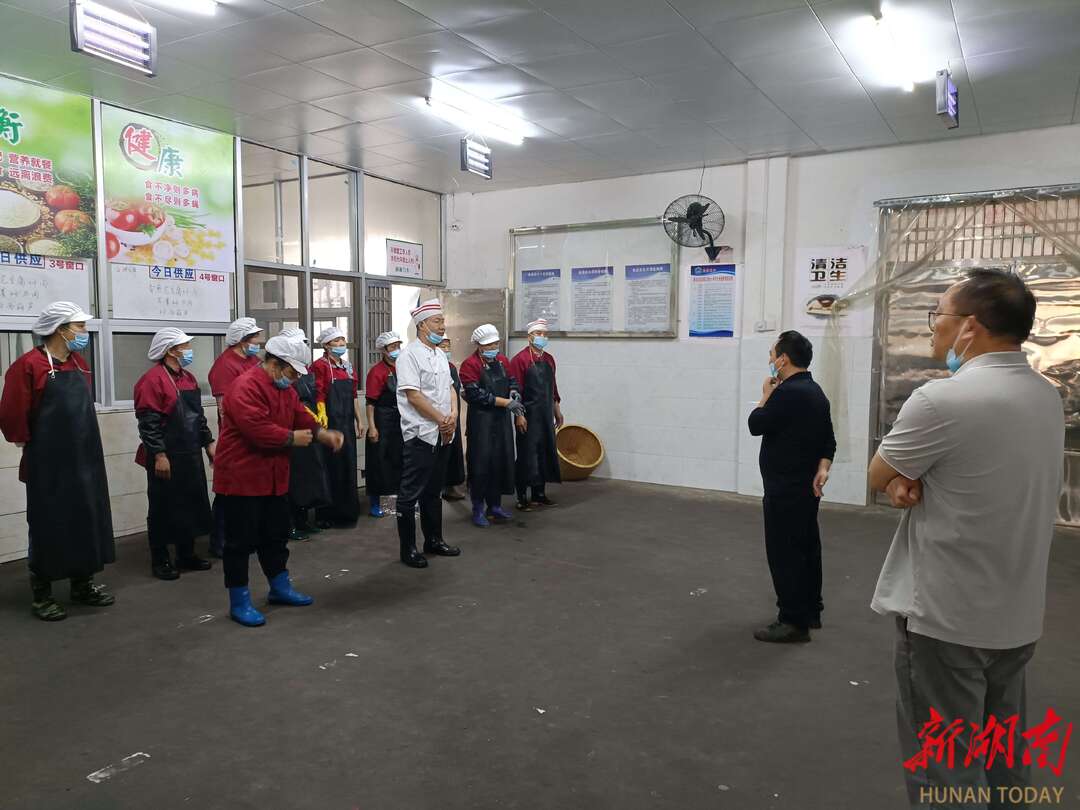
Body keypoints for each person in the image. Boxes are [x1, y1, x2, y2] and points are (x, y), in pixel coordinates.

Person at [867, 270, 1063, 806]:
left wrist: (905, 478)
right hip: (1016, 614)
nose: (935, 328)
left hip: (947, 618)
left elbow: (879, 474)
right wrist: (914, 478)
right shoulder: (1046, 396)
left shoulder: (941, 400)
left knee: (945, 772)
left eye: (941, 316)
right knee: (1004, 759)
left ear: (970, 327)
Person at [213, 333, 344, 627]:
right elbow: (256, 429)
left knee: (275, 535)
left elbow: (300, 414)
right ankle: (239, 600)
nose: (294, 379)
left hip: (273, 476)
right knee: (240, 542)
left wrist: (321, 433)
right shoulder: (245, 387)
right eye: (291, 373)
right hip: (242, 477)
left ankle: (279, 587)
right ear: (274, 364)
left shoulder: (284, 388)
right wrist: (290, 438)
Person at [0, 301, 115, 621]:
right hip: (48, 464)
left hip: (86, 460)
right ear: (60, 330)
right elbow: (11, 414)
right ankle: (43, 595)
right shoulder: (28, 366)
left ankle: (83, 585)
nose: (84, 332)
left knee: (85, 520)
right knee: (49, 525)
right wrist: (30, 444)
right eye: (79, 326)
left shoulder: (78, 364)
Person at [747, 330, 835, 644]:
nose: (770, 360)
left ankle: (792, 621)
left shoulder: (786, 393)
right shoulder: (815, 391)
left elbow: (756, 424)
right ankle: (810, 611)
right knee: (807, 548)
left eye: (772, 355)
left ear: (783, 359)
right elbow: (829, 440)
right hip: (806, 488)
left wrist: (765, 395)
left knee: (784, 553)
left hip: (785, 489)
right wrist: (823, 468)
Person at [133, 328, 216, 580]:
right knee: (162, 508)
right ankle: (160, 560)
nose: (189, 350)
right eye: (185, 346)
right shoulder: (152, 380)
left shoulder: (188, 377)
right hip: (166, 455)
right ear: (171, 350)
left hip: (190, 453)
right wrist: (159, 455)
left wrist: (208, 443)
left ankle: (186, 554)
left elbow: (198, 418)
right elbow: (148, 423)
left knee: (190, 503)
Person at [395, 299, 461, 568]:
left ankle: (433, 539)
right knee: (410, 494)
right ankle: (408, 549)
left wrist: (453, 414)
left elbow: (450, 388)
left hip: (443, 433)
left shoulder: (440, 355)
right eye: (437, 321)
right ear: (422, 325)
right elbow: (413, 395)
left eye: (443, 321)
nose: (442, 326)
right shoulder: (408, 356)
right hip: (421, 434)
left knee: (434, 491)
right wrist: (440, 419)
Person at [207, 317, 264, 557]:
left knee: (250, 491)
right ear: (242, 341)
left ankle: (246, 538)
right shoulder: (224, 366)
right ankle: (220, 541)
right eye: (255, 340)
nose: (258, 344)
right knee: (228, 491)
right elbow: (224, 408)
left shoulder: (253, 361)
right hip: (236, 437)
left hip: (256, 433)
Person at [460, 324, 524, 527]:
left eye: (496, 344)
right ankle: (478, 508)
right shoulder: (469, 365)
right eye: (489, 345)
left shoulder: (503, 361)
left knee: (500, 462)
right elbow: (474, 394)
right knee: (481, 464)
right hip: (481, 422)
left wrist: (514, 392)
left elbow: (512, 380)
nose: (493, 348)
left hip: (501, 422)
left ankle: (495, 506)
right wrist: (505, 402)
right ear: (479, 345)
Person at [508, 319, 563, 511]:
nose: (542, 337)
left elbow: (553, 388)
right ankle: (522, 497)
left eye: (545, 334)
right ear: (529, 336)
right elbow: (515, 391)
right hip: (528, 415)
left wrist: (557, 410)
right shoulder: (520, 360)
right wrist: (519, 415)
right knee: (527, 454)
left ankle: (539, 494)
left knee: (544, 452)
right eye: (538, 333)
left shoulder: (549, 359)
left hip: (545, 415)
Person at [312, 327, 364, 526]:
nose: (341, 344)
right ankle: (327, 514)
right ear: (326, 345)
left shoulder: (347, 367)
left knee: (348, 464)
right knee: (330, 467)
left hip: (347, 423)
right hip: (330, 422)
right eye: (336, 341)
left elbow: (353, 396)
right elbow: (318, 393)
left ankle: (348, 512)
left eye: (343, 340)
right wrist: (321, 414)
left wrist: (359, 420)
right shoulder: (320, 366)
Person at [283, 328, 331, 540]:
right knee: (293, 477)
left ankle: (302, 520)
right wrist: (303, 411)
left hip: (307, 425)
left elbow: (316, 390)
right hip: (292, 428)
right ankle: (290, 524)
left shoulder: (305, 369)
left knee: (307, 476)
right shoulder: (284, 373)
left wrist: (319, 408)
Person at [364, 331, 404, 519]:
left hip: (400, 419)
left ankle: (395, 503)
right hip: (382, 419)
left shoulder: (403, 367)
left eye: (398, 346)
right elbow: (370, 402)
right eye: (393, 347)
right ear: (383, 350)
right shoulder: (376, 372)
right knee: (379, 462)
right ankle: (375, 503)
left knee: (398, 460)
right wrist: (372, 427)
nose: (397, 349)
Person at [440, 335, 467, 502]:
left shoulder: (451, 367)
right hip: (439, 417)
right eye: (443, 346)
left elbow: (455, 389)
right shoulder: (433, 366)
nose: (446, 350)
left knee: (454, 452)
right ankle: (437, 489)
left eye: (448, 346)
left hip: (453, 415)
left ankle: (451, 487)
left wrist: (455, 412)